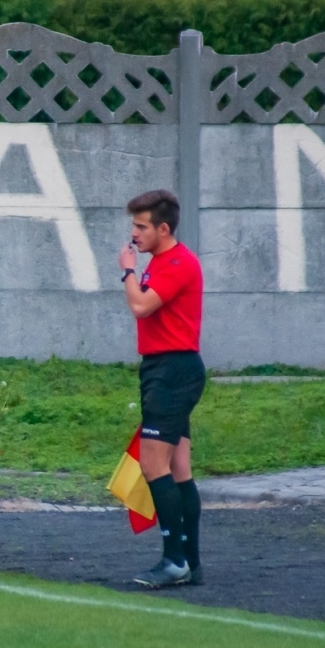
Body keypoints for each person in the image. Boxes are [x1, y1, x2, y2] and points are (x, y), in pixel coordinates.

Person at [117, 189, 206, 589]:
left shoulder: (176, 263)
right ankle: (191, 561)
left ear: (163, 229)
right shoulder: (160, 261)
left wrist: (127, 272)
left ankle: (174, 561)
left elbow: (140, 306)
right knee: (179, 468)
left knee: (153, 466)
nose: (134, 233)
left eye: (141, 226)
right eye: (134, 225)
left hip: (172, 372)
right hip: (166, 369)